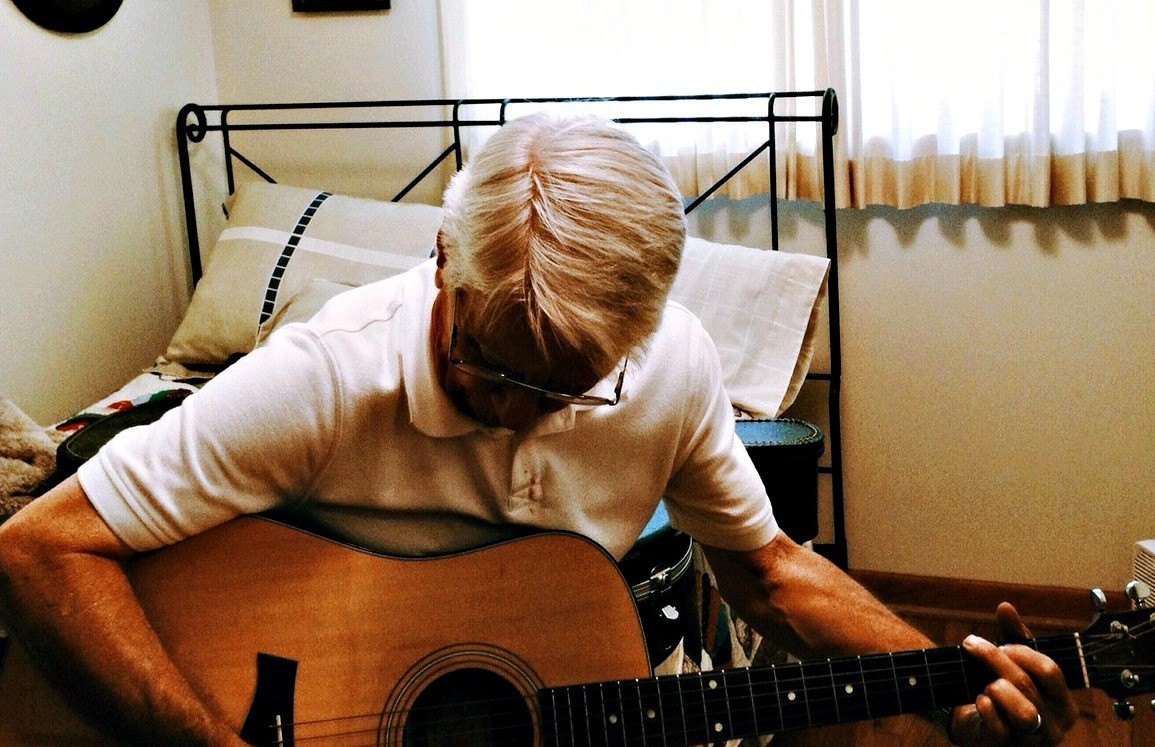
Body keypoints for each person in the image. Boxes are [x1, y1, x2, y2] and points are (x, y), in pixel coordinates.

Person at [0, 113, 1076, 746]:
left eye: (567, 390)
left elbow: (768, 572)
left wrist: (952, 681)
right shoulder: (322, 375)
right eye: (491, 367)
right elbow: (38, 545)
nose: (519, 415)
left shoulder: (673, 362)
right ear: (441, 262)